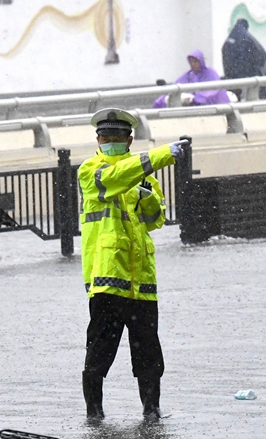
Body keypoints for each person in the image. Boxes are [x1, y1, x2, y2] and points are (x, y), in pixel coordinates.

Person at [78, 108, 188, 421]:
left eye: (116, 137)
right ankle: (94, 412)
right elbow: (113, 178)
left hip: (141, 280)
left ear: (129, 139)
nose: (110, 142)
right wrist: (159, 156)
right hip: (108, 277)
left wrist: (147, 196)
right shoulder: (90, 170)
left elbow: (156, 220)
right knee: (99, 350)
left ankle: (151, 410)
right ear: (98, 139)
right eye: (105, 137)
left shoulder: (143, 175)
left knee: (148, 352)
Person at [153, 50, 231, 108]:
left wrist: (196, 99)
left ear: (201, 61)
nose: (193, 64)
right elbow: (177, 86)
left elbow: (213, 92)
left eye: (195, 61)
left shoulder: (210, 73)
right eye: (191, 62)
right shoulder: (189, 75)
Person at [222, 18, 266, 100]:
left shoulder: (231, 37)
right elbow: (260, 55)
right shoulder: (248, 38)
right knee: (252, 94)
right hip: (251, 72)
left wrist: (231, 72)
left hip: (235, 73)